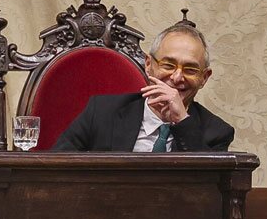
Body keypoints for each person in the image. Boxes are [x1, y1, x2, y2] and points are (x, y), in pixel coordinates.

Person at [53, 23, 234, 152]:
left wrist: (182, 121)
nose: (177, 77)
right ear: (148, 64)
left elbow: (208, 193)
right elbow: (57, 169)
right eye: (168, 65)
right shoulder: (101, 112)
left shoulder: (217, 133)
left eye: (190, 69)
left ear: (204, 78)